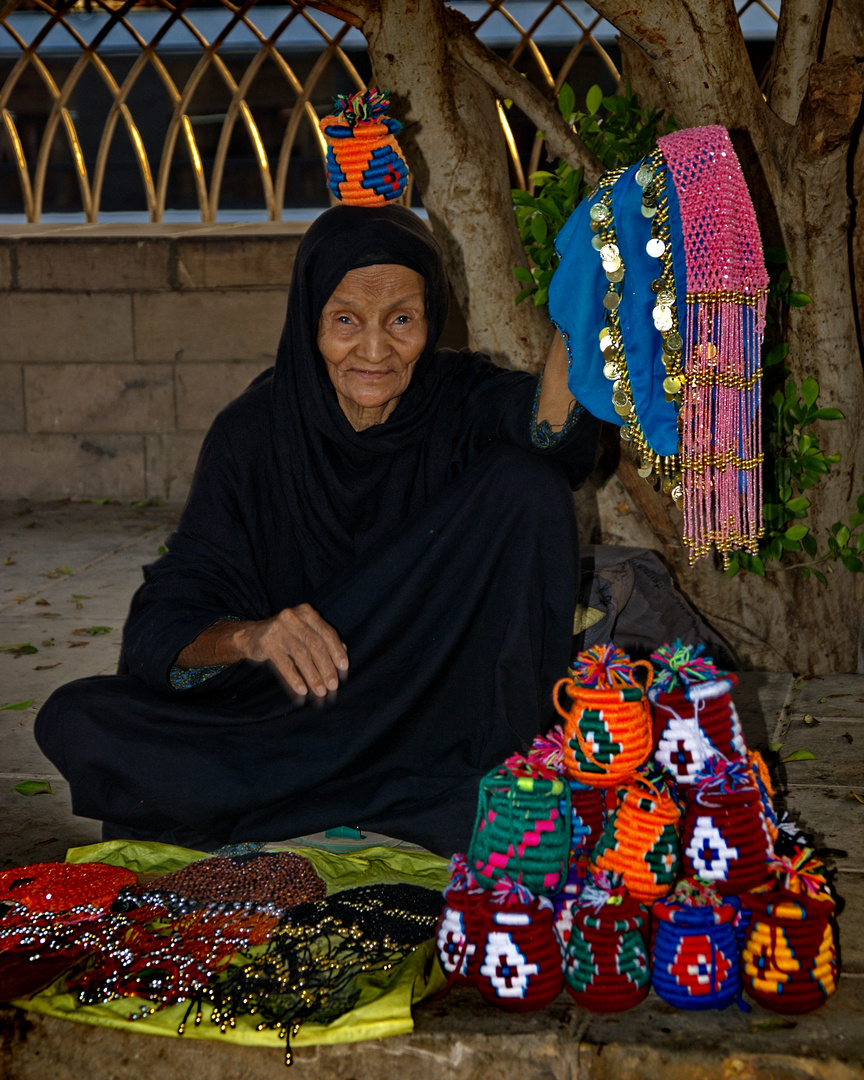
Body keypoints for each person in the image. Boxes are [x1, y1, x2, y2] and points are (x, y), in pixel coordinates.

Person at [35, 203, 601, 857]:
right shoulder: (252, 434)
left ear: (431, 319)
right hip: (292, 718)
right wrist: (255, 637)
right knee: (80, 717)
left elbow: (549, 430)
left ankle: (475, 782)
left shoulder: (459, 397)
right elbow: (165, 621)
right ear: (310, 324)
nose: (374, 350)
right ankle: (383, 795)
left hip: (432, 707)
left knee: (527, 483)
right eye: (345, 321)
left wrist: (582, 303)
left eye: (402, 320)